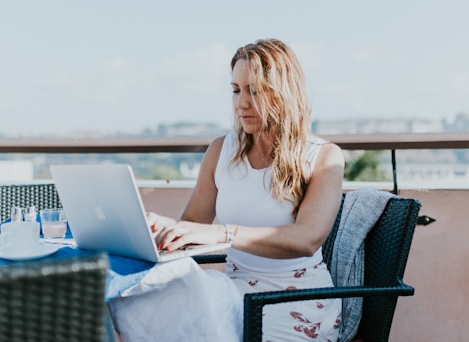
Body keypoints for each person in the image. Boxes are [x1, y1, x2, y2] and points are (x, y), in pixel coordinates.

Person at [111, 38, 344, 342]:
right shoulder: (221, 151)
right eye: (236, 90)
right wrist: (166, 230)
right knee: (147, 307)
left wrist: (225, 234)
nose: (241, 103)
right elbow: (194, 223)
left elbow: (308, 239)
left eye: (255, 91)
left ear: (284, 93)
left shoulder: (323, 156)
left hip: (297, 302)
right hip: (233, 293)